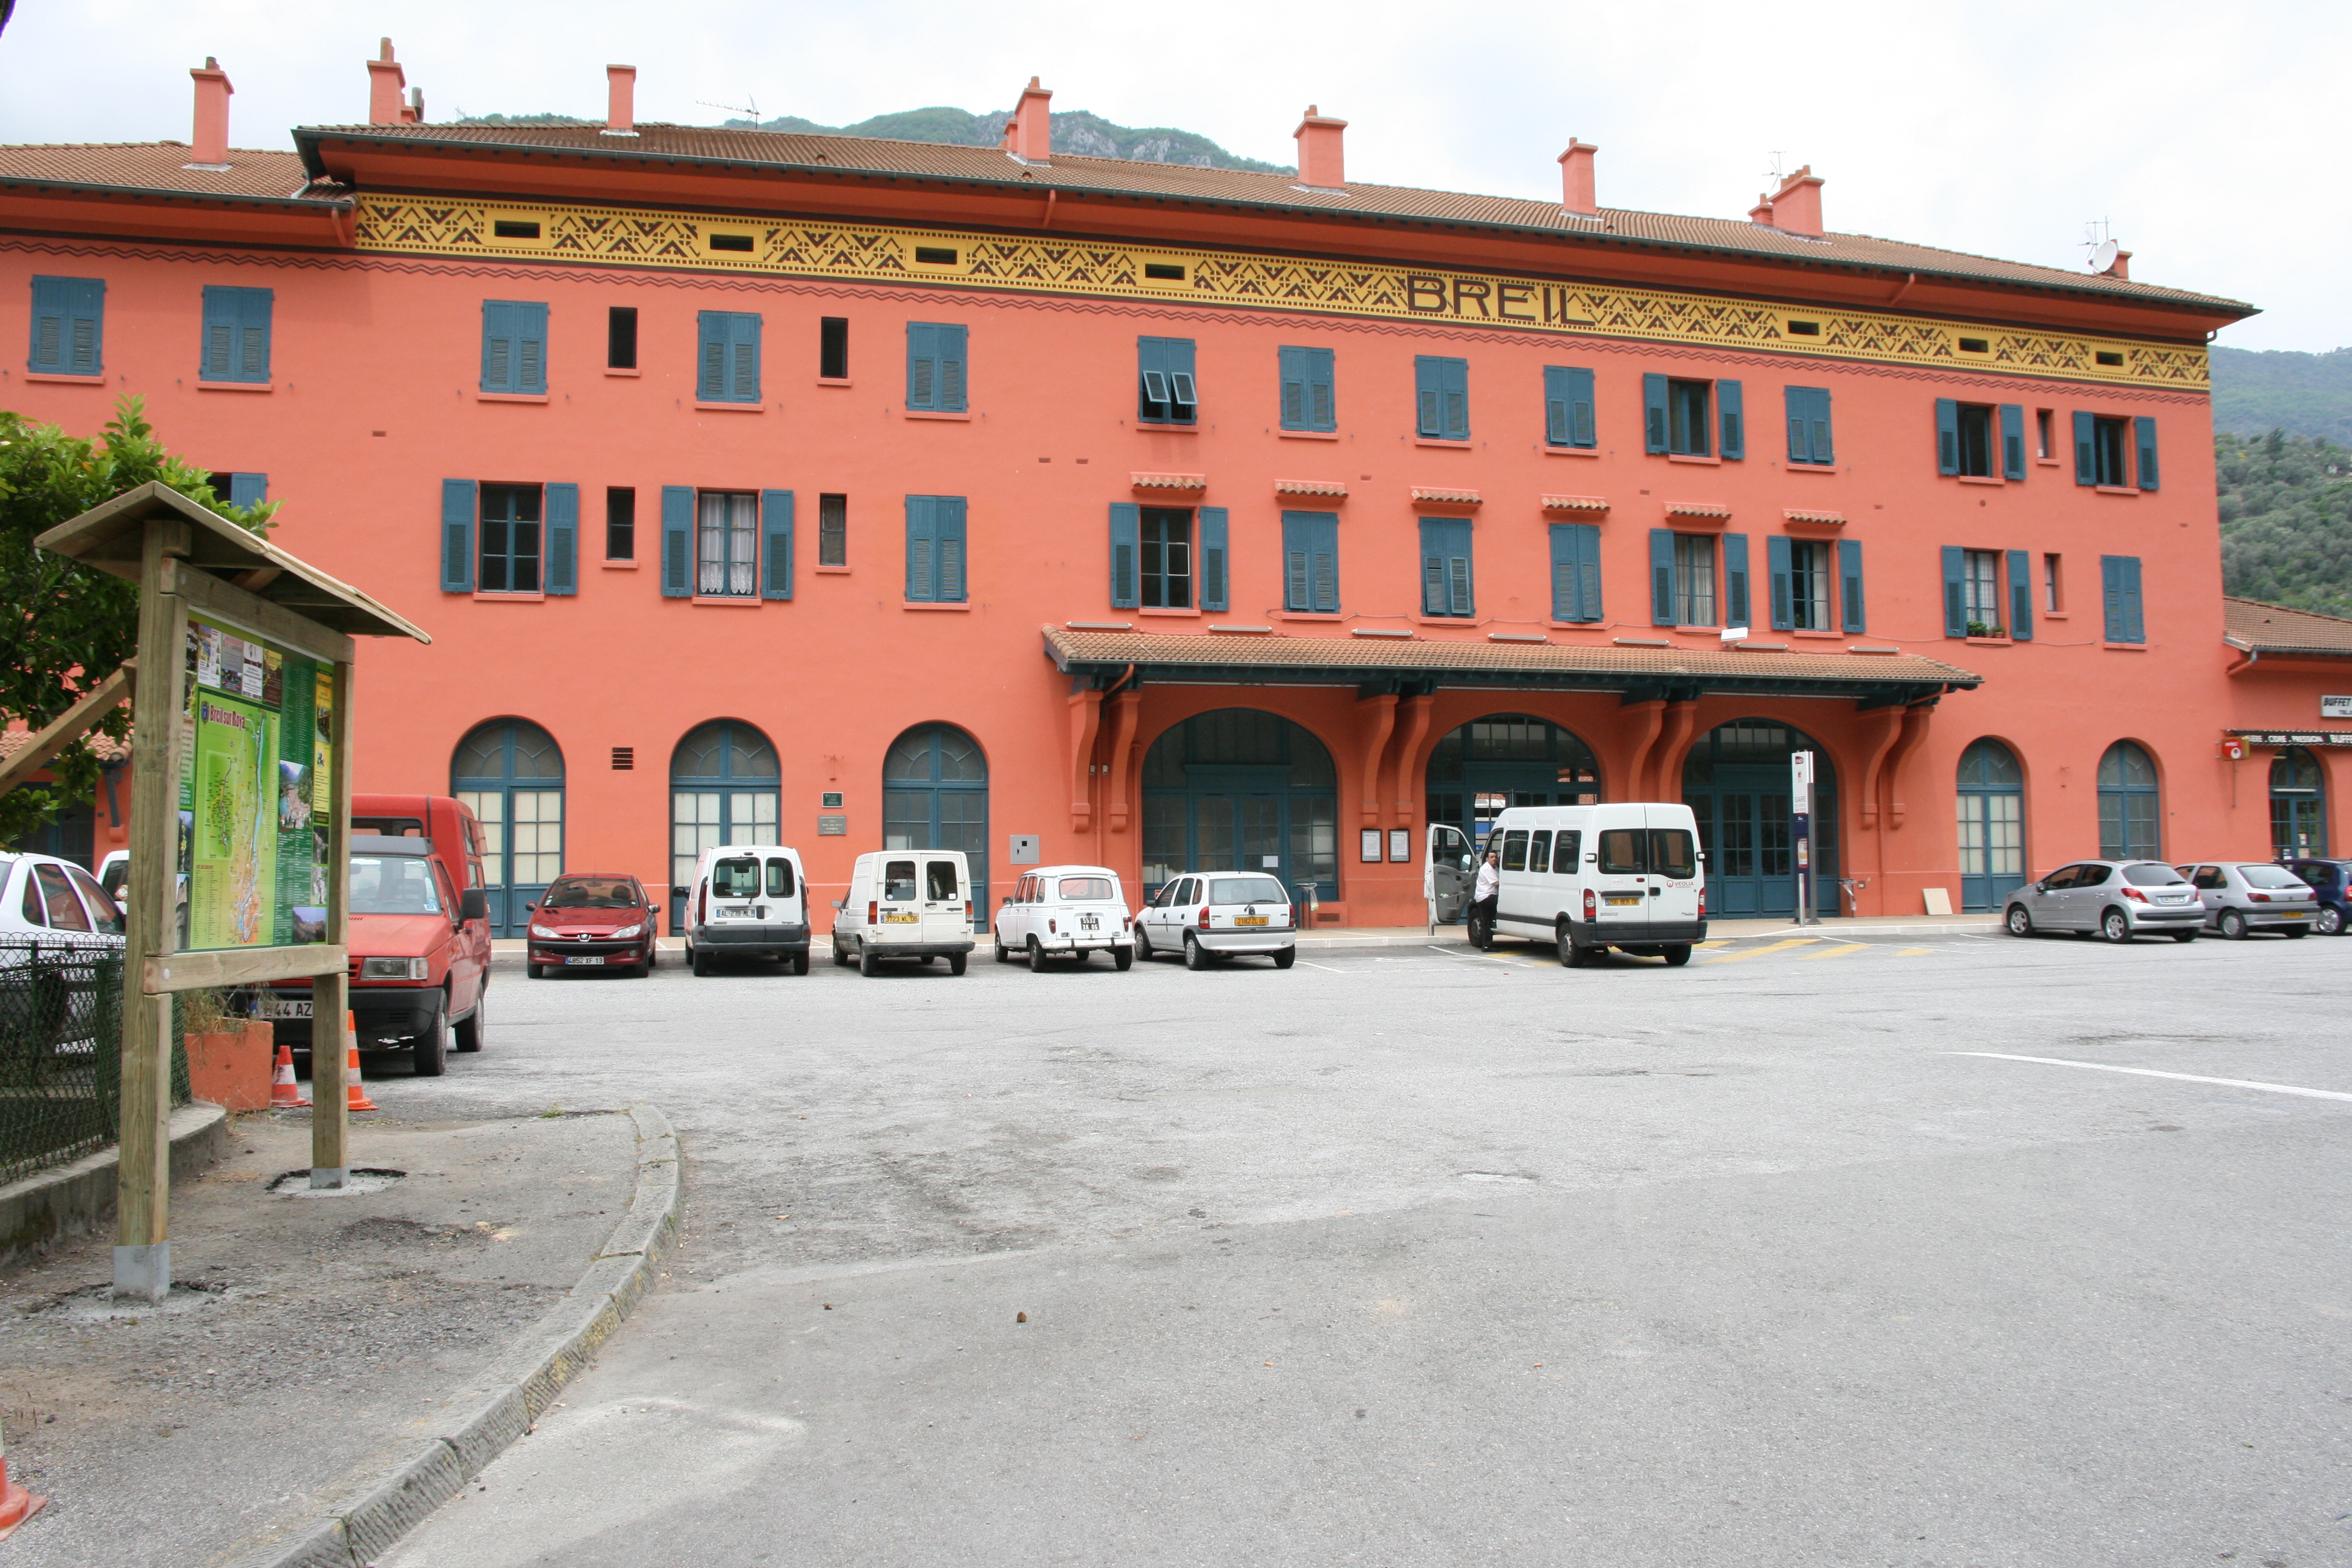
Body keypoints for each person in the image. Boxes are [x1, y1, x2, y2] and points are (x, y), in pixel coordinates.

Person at [1469, 845, 1501, 950]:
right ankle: (1486, 945)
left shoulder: (1495, 868)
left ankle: (1487, 944)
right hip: (1485, 897)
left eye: (1496, 857)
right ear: (1487, 859)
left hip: (1490, 895)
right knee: (1486, 920)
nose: (1494, 859)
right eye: (1492, 857)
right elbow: (1496, 883)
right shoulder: (1486, 869)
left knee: (1487, 920)